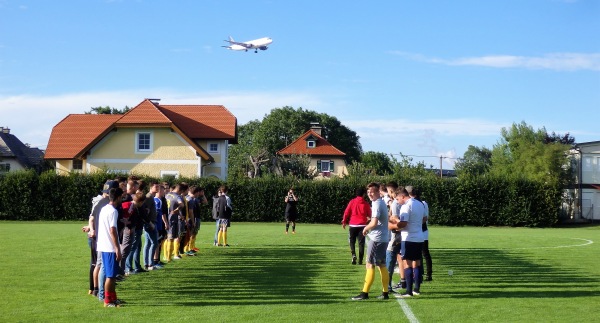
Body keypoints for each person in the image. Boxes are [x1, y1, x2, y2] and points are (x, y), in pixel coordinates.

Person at [351, 182, 390, 301]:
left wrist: (366, 228)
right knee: (381, 265)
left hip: (377, 239)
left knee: (370, 264)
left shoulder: (377, 203)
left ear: (378, 191)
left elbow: (374, 223)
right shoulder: (379, 202)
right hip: (382, 238)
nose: (370, 194)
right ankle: (385, 293)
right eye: (368, 192)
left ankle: (365, 293)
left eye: (372, 192)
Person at [81, 180, 118, 296]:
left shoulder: (99, 203)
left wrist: (91, 229)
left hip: (98, 239)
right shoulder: (110, 207)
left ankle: (94, 289)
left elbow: (92, 219)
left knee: (96, 264)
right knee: (102, 267)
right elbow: (111, 228)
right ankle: (101, 293)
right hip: (105, 241)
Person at [394, 186, 425, 298]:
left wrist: (394, 223)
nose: (397, 202)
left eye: (397, 199)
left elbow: (403, 224)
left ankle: (409, 291)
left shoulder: (406, 207)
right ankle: (416, 289)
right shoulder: (419, 204)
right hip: (419, 237)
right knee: (416, 262)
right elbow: (423, 219)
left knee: (407, 264)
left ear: (402, 196)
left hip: (409, 238)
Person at [96, 187, 124, 307]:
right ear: (117, 197)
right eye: (121, 197)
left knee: (111, 275)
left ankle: (113, 298)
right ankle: (107, 301)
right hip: (109, 247)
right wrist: (117, 248)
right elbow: (112, 230)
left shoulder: (104, 208)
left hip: (103, 245)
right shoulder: (113, 211)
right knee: (111, 276)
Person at [341, 187, 371, 265]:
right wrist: (368, 220)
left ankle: (353, 254)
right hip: (362, 225)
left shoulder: (352, 202)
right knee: (361, 243)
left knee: (352, 241)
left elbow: (346, 212)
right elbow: (370, 214)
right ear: (364, 194)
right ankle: (360, 260)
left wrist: (344, 221)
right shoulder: (365, 203)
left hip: (353, 224)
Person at [384, 182, 402, 293]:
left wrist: (388, 219)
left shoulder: (395, 203)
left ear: (391, 191)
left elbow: (395, 219)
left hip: (396, 235)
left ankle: (387, 286)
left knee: (390, 258)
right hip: (401, 234)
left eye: (389, 192)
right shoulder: (400, 202)